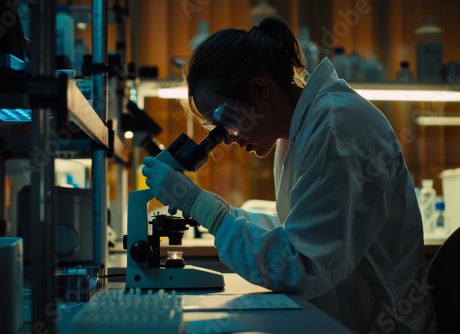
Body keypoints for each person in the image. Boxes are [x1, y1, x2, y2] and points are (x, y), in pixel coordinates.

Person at [141, 17, 438, 333]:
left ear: (259, 89)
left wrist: (204, 209)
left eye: (225, 118)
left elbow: (300, 266)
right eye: (214, 127)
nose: (225, 137)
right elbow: (298, 234)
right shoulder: (298, 133)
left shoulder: (335, 126)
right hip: (343, 315)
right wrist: (215, 210)